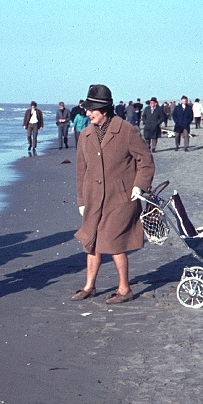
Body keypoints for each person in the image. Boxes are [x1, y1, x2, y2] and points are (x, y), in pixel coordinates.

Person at [72, 84, 155, 304]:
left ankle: (124, 289)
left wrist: (139, 186)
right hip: (93, 199)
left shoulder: (126, 130)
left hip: (121, 199)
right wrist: (81, 199)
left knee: (114, 241)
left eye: (92, 109)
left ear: (105, 110)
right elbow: (81, 171)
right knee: (91, 240)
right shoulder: (85, 135)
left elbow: (145, 161)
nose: (87, 113)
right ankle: (89, 286)